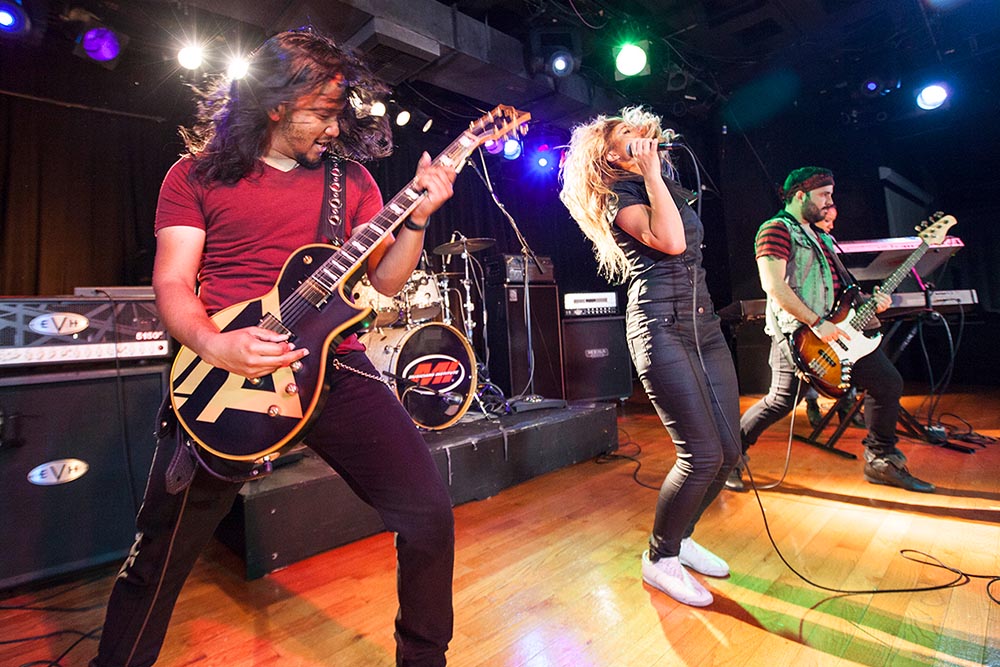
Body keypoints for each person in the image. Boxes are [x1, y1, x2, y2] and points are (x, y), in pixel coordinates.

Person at [89, 28, 457, 667]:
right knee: (158, 557)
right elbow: (172, 282)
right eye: (321, 113)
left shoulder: (352, 181)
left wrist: (418, 220)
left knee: (429, 516)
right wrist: (215, 344)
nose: (334, 129)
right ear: (275, 104)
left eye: (339, 114)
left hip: (336, 368)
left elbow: (384, 283)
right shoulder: (195, 174)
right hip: (224, 376)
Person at [559, 107, 741, 607]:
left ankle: (681, 539)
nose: (641, 136)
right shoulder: (617, 196)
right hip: (660, 327)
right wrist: (653, 175)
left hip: (703, 325)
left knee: (729, 450)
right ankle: (660, 558)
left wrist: (657, 176)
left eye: (642, 130)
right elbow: (672, 242)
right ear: (608, 153)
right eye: (627, 132)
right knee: (701, 454)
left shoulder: (661, 186)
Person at [729, 167, 934, 494]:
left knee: (887, 382)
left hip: (838, 333)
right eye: (824, 195)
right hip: (800, 335)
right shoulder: (776, 229)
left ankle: (881, 460)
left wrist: (869, 301)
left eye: (831, 194)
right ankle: (729, 458)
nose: (830, 202)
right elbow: (773, 286)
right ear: (800, 195)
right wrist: (815, 322)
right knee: (781, 401)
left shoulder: (821, 236)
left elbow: (839, 291)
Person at [801, 205, 864, 429]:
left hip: (836, 317)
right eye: (827, 221)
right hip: (813, 318)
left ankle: (847, 403)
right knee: (810, 371)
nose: (831, 226)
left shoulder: (828, 242)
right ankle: (812, 404)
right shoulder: (803, 242)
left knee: (849, 357)